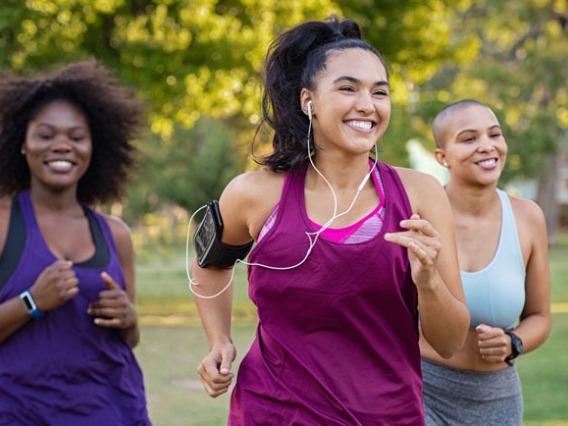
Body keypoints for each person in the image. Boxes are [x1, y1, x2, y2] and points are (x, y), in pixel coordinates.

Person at [191, 16, 469, 425]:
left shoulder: (420, 195)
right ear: (308, 101)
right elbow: (209, 264)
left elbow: (450, 342)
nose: (367, 105)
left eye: (380, 92)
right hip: (272, 412)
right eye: (347, 88)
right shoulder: (254, 194)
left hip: (387, 416)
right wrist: (219, 340)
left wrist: (428, 282)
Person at [0, 59, 151, 425]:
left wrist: (129, 319)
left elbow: (129, 339)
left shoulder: (115, 234)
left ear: (93, 148)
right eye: (46, 135)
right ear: (22, 144)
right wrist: (32, 301)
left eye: (76, 136)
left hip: (112, 409)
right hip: (20, 411)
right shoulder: (4, 224)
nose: (63, 146)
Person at [421, 99, 552, 425]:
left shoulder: (528, 217)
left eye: (494, 135)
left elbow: (540, 316)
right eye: (469, 139)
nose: (487, 146)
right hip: (422, 389)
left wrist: (514, 341)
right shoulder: (418, 216)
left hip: (498, 397)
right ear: (442, 157)